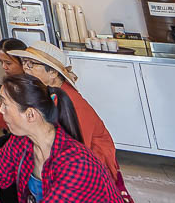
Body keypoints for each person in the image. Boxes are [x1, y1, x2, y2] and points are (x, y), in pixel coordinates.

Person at [0, 74, 123, 203]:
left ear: (31, 115)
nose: (0, 110)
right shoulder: (22, 142)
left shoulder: (76, 163)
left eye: (5, 104)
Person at [11, 41, 123, 193]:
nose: (25, 68)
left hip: (90, 172)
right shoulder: (46, 92)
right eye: (24, 63)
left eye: (32, 64)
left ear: (53, 73)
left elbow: (79, 154)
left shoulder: (73, 104)